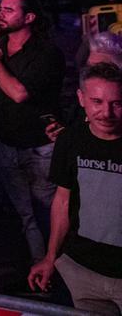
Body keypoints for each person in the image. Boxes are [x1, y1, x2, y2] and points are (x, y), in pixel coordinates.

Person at [0, 0, 64, 261]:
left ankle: (56, 272)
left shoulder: (46, 53)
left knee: (47, 212)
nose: (1, 14)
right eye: (1, 9)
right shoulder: (0, 43)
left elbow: (19, 93)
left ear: (29, 17)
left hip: (38, 145)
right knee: (25, 214)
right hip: (6, 141)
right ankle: (40, 268)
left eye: (9, 10)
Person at [28, 63, 122, 311]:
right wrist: (50, 258)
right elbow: (63, 200)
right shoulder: (70, 140)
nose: (106, 112)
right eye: (97, 102)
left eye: (117, 103)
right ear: (81, 99)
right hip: (82, 272)